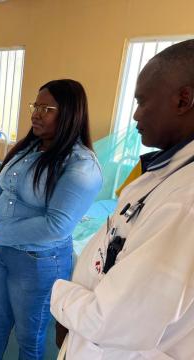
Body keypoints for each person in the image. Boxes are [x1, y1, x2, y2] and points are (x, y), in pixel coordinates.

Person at [51, 40, 194, 360]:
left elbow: (111, 321)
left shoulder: (185, 201)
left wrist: (60, 297)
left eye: (143, 101)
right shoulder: (159, 174)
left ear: (183, 99)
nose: (135, 114)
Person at [0, 79, 102, 359]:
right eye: (36, 105)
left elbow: (56, 225)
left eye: (47, 108)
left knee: (28, 339)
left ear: (69, 114)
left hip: (37, 262)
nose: (35, 113)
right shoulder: (28, 149)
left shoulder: (81, 165)